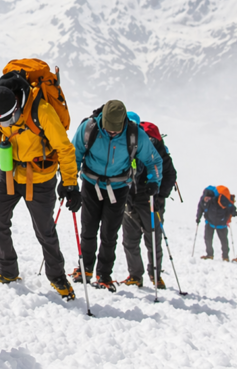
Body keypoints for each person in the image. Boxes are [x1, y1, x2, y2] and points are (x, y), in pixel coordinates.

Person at [0, 74, 78, 301]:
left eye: (7, 120)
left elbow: (64, 148)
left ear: (16, 107)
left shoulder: (41, 111)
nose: (2, 125)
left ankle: (57, 277)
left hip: (40, 176)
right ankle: (7, 270)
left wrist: (70, 183)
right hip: (9, 171)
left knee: (44, 229)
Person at [70, 101, 163, 292]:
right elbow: (74, 155)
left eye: (116, 129)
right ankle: (85, 269)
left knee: (109, 233)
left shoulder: (135, 134)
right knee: (88, 229)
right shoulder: (89, 128)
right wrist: (69, 184)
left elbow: (153, 160)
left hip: (119, 188)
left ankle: (104, 274)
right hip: (91, 184)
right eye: (109, 128)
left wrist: (154, 181)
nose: (112, 132)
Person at [120, 113, 177, 290]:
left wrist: (160, 196)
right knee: (130, 240)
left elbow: (170, 173)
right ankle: (136, 276)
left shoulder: (153, 145)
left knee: (152, 239)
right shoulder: (118, 143)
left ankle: (155, 275)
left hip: (150, 199)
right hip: (130, 198)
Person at [196, 186, 236, 261]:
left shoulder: (222, 199)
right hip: (209, 222)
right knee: (207, 239)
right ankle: (209, 255)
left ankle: (225, 257)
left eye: (209, 198)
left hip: (221, 223)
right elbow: (200, 208)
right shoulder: (203, 199)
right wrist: (198, 217)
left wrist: (233, 212)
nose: (207, 200)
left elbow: (231, 206)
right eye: (206, 198)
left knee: (223, 241)